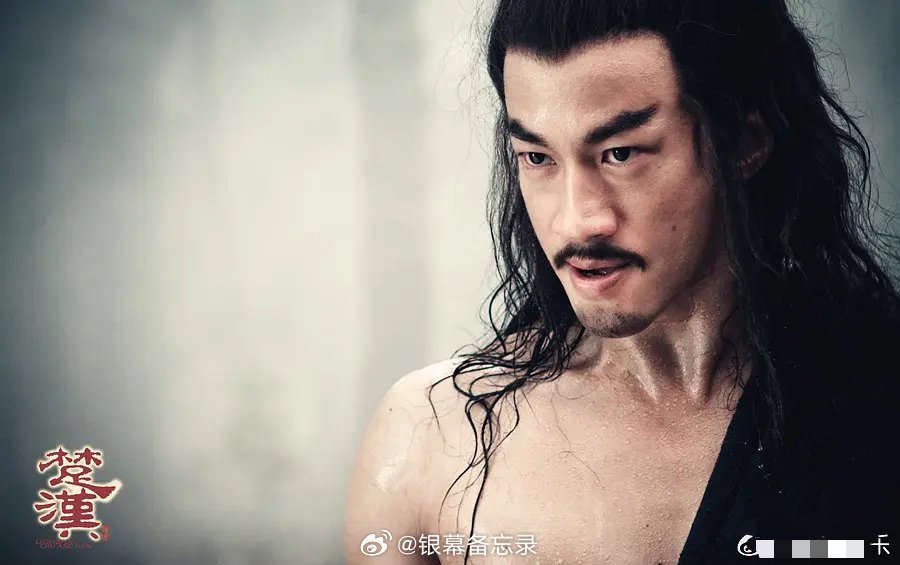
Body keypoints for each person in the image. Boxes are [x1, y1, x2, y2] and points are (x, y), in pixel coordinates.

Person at [344, 1, 900, 563]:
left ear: (742, 143)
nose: (576, 221)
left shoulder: (876, 405)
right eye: (537, 157)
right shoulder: (431, 440)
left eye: (621, 153)